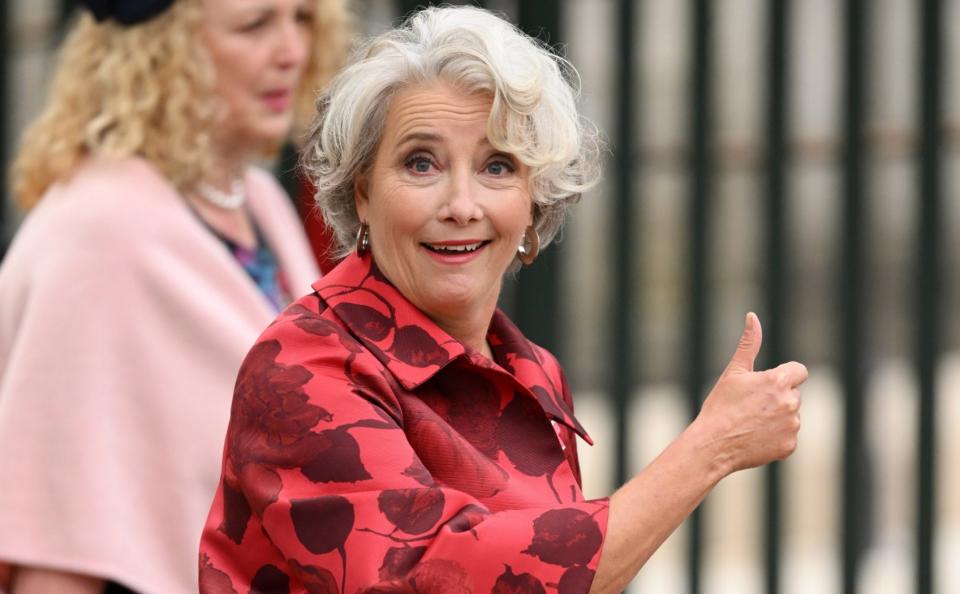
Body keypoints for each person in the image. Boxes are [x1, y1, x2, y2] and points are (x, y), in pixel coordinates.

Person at [198, 6, 808, 593]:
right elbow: (434, 578)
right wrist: (710, 447)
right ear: (362, 192)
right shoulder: (303, 367)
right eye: (421, 163)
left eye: (497, 167)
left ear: (535, 200)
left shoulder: (533, 370)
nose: (462, 205)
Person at [0, 0, 348, 592]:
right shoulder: (98, 230)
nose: (292, 51)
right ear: (163, 49)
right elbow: (53, 536)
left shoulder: (257, 200)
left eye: (303, 19)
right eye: (255, 25)